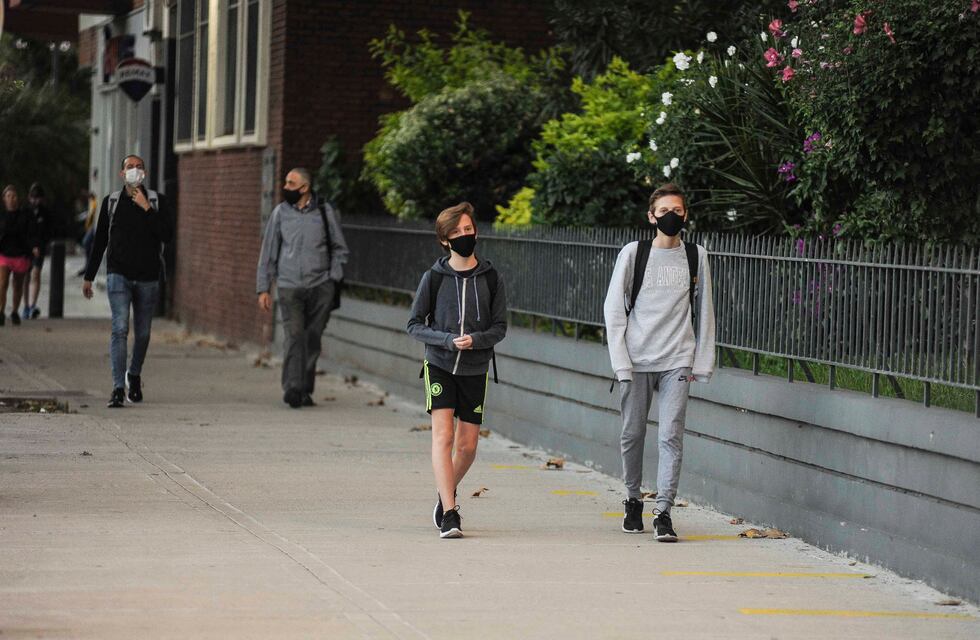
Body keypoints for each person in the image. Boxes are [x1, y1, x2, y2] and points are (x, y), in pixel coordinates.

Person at [602, 183, 715, 542]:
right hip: (636, 360)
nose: (671, 216)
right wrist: (620, 362)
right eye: (664, 210)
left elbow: (706, 311)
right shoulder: (634, 254)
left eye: (677, 210)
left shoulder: (697, 255)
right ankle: (633, 499)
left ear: (686, 215)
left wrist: (701, 362)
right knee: (632, 434)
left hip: (677, 359)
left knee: (671, 436)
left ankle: (663, 511)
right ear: (651, 216)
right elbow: (613, 309)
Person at [407, 202, 508, 539]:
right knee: (443, 436)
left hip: (476, 368)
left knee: (467, 447)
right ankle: (450, 513)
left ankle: (443, 493)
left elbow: (500, 327)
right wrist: (448, 340)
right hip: (439, 364)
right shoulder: (433, 278)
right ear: (444, 240)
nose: (466, 236)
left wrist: (476, 340)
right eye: (457, 233)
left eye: (468, 229)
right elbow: (414, 324)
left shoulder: (491, 278)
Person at [83, 155, 173, 408]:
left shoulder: (157, 201)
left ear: (144, 173)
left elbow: (167, 235)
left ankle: (134, 374)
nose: (135, 171)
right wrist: (89, 277)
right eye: (129, 167)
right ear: (122, 174)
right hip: (118, 274)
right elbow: (100, 240)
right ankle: (117, 388)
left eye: (139, 167)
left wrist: (147, 208)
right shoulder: (111, 203)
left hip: (148, 276)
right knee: (120, 328)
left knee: (143, 334)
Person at [256, 167, 349, 409]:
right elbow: (268, 252)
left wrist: (333, 279)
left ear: (305, 188)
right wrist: (263, 287)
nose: (285, 187)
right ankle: (293, 388)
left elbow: (340, 248)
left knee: (312, 337)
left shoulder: (325, 212)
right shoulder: (280, 213)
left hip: (320, 287)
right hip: (288, 286)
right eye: (286, 182)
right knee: (294, 335)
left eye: (291, 183)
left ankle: (305, 388)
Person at [0, 185, 40, 326]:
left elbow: (33, 232)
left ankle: (15, 311)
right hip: (4, 254)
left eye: (14, 196)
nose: (12, 199)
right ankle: (1, 311)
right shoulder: (2, 216)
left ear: (18, 198)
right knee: (2, 284)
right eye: (8, 196)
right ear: (4, 199)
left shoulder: (26, 215)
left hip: (21, 255)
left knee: (17, 286)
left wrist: (34, 247)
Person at [24, 182, 55, 319]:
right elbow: (22, 232)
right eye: (33, 197)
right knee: (25, 276)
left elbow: (48, 232)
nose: (36, 200)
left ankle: (32, 305)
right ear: (29, 198)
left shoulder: (46, 213)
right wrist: (30, 246)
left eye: (38, 197)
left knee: (35, 274)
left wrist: (41, 246)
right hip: (25, 248)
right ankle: (25, 305)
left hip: (39, 248)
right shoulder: (25, 212)